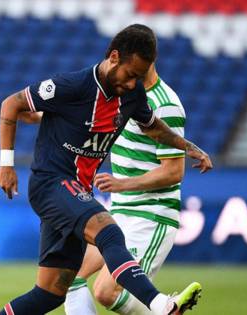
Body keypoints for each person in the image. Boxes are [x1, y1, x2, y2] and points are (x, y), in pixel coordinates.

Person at [0, 24, 211, 315]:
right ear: (113, 57)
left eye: (139, 77)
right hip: (51, 184)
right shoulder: (71, 86)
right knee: (109, 233)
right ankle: (163, 306)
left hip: (76, 193)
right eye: (130, 74)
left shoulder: (132, 96)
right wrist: (6, 165)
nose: (133, 83)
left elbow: (154, 128)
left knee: (49, 294)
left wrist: (189, 147)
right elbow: (11, 104)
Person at [63, 60, 187, 315]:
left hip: (150, 215)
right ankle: (166, 309)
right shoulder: (124, 94)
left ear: (147, 60)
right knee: (67, 277)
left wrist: (123, 184)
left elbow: (174, 171)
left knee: (106, 292)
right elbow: (88, 115)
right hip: (119, 213)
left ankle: (166, 310)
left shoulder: (166, 104)